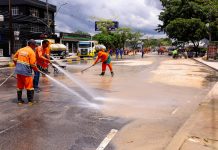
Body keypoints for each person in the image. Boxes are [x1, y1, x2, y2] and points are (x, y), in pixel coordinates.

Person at [13, 39, 38, 105]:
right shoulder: (31, 52)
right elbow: (32, 64)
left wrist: (17, 66)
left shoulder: (20, 50)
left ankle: (19, 101)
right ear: (31, 45)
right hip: (26, 72)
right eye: (34, 46)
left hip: (19, 71)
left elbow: (14, 58)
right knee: (30, 86)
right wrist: (36, 70)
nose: (35, 47)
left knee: (20, 86)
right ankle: (30, 101)